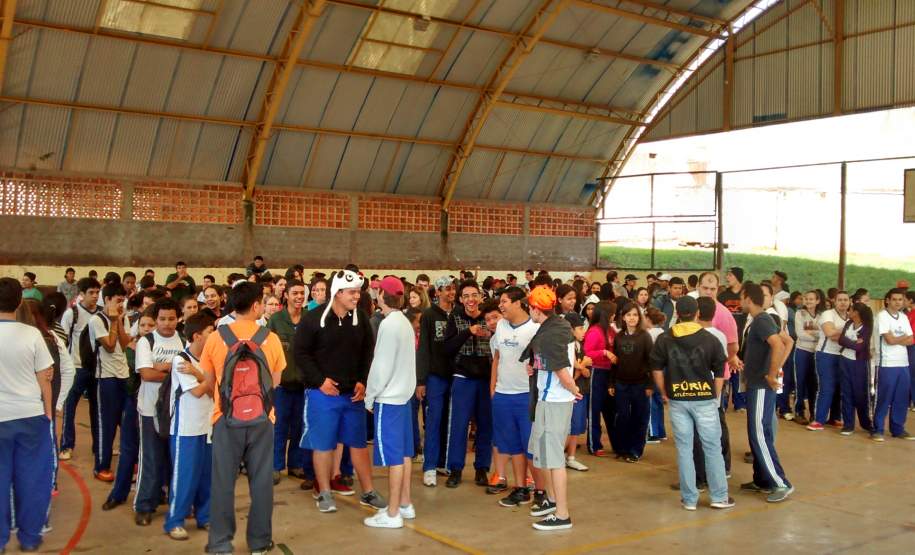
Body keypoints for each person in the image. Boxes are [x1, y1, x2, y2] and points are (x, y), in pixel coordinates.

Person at [199, 281, 285, 554]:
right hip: (262, 420)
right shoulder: (269, 338)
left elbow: (209, 379)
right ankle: (259, 542)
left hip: (225, 419)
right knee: (261, 482)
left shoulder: (216, 338)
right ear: (257, 305)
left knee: (223, 482)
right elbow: (276, 382)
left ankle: (220, 544)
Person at [296, 270, 386, 514]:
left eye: (358, 292)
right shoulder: (312, 319)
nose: (357, 296)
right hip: (322, 395)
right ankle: (324, 491)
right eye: (352, 292)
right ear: (337, 293)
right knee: (323, 445)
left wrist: (362, 380)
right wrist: (319, 381)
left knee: (357, 445)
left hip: (352, 395)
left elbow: (368, 352)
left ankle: (368, 491)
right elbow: (301, 354)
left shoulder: (361, 320)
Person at [650, 296, 731, 511]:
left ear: (677, 313)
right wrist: (716, 394)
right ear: (696, 313)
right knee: (712, 447)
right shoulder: (710, 339)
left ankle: (689, 499)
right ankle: (719, 496)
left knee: (684, 449)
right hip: (704, 399)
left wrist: (664, 391)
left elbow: (656, 368)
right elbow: (720, 369)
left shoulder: (665, 338)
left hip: (677, 399)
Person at [0, 277, 55, 553]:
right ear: (20, 301)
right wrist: (48, 411)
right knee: (32, 479)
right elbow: (44, 378)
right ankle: (30, 537)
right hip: (30, 415)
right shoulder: (32, 334)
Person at [523, 286, 581, 530]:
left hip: (554, 401)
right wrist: (534, 367)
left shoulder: (550, 334)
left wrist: (573, 388)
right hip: (550, 400)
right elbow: (556, 361)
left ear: (536, 309)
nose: (530, 312)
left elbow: (560, 368)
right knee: (543, 454)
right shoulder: (558, 326)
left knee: (555, 460)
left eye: (530, 308)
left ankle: (562, 514)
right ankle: (552, 500)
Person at [362, 277, 417, 528]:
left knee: (394, 457)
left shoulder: (388, 325)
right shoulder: (403, 322)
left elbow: (381, 366)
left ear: (382, 295)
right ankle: (405, 504)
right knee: (404, 453)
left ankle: (392, 513)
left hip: (390, 399)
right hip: (404, 397)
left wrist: (370, 395)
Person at [164, 312, 217, 541]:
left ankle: (205, 516)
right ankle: (174, 521)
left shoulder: (211, 359)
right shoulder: (180, 360)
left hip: (208, 428)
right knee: (184, 476)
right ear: (197, 336)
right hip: (186, 429)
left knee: (207, 476)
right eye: (210, 331)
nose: (214, 335)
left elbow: (217, 387)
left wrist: (200, 375)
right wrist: (207, 378)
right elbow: (197, 391)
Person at [134, 298, 186, 526]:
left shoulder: (183, 341)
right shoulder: (147, 341)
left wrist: (160, 366)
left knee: (174, 459)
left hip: (177, 408)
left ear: (179, 318)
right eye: (162, 319)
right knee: (151, 459)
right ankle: (144, 505)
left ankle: (174, 501)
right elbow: (146, 374)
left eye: (171, 319)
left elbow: (190, 372)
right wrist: (172, 370)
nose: (167, 323)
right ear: (155, 320)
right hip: (149, 409)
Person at [740, 283, 792, 502]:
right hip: (755, 384)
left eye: (741, 298)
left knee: (759, 433)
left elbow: (780, 345)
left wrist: (772, 374)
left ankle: (780, 483)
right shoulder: (759, 320)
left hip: (761, 386)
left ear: (748, 299)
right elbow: (786, 341)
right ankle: (762, 479)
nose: (740, 302)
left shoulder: (761, 319)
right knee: (758, 433)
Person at [488, 286, 539, 506]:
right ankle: (521, 488)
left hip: (526, 395)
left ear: (518, 303)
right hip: (502, 394)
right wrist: (493, 388)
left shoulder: (535, 327)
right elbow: (497, 358)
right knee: (512, 446)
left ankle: (541, 490)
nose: (500, 306)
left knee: (530, 447)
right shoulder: (500, 325)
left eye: (505, 301)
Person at [443, 280, 494, 488]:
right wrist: (468, 332)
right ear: (461, 299)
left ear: (481, 296)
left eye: (474, 295)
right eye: (466, 296)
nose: (471, 300)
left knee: (485, 425)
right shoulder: (455, 318)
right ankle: (455, 469)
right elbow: (447, 348)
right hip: (462, 379)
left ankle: (482, 468)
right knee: (458, 425)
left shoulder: (490, 317)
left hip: (486, 379)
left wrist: (492, 333)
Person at [103, 310, 154, 511]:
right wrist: (155, 370)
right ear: (138, 327)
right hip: (134, 403)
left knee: (152, 452)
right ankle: (118, 493)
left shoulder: (161, 347)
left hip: (156, 405)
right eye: (143, 325)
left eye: (151, 325)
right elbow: (135, 378)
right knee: (128, 449)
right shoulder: (131, 349)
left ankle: (154, 493)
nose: (147, 329)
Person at [267, 280, 314, 488]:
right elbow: (267, 351)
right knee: (278, 426)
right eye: (294, 293)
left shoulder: (309, 319)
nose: (299, 297)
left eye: (301, 293)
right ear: (285, 295)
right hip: (281, 385)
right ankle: (275, 466)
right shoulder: (276, 321)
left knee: (299, 427)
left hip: (304, 385)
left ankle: (295, 464)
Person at [90, 282, 132, 482]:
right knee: (106, 424)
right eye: (118, 300)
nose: (121, 304)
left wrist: (120, 321)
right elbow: (109, 345)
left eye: (123, 300)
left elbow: (123, 345)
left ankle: (129, 462)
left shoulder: (123, 318)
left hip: (123, 375)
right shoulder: (96, 320)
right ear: (107, 300)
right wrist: (114, 321)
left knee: (126, 423)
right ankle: (101, 466)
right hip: (105, 377)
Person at [417, 276, 455, 487]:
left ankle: (444, 461)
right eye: (446, 289)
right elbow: (423, 348)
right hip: (435, 377)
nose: (451, 292)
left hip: (456, 377)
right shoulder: (430, 315)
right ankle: (429, 465)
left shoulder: (458, 313)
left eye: (452, 289)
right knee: (433, 420)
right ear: (437, 292)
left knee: (450, 421)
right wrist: (421, 380)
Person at [59, 277, 101, 461]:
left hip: (98, 369)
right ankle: (67, 445)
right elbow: (62, 341)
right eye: (91, 292)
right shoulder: (72, 314)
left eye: (97, 292)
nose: (95, 296)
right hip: (76, 367)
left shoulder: (101, 313)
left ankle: (98, 446)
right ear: (81, 294)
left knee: (97, 408)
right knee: (70, 408)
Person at [610, 302, 653, 463]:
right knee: (622, 417)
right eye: (628, 315)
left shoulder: (645, 336)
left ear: (639, 317)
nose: (632, 318)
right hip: (621, 384)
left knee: (639, 418)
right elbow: (615, 362)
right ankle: (622, 448)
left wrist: (650, 385)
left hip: (641, 385)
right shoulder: (619, 337)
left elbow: (651, 362)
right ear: (623, 317)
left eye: (635, 315)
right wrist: (611, 383)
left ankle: (636, 450)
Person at [872, 289, 914, 441]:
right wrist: (902, 337)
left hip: (903, 363)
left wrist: (898, 338)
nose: (898, 302)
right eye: (894, 299)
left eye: (900, 299)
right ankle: (877, 429)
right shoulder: (882, 316)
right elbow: (889, 340)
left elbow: (911, 339)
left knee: (901, 398)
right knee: (884, 397)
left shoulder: (903, 317)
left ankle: (898, 429)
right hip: (886, 363)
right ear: (888, 300)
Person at [807, 291, 851, 431]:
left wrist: (839, 331)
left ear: (849, 302)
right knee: (826, 387)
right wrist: (848, 332)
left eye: (845, 300)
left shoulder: (850, 317)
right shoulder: (828, 314)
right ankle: (818, 420)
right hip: (826, 354)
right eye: (840, 300)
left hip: (843, 355)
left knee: (839, 388)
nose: (843, 302)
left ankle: (835, 417)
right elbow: (830, 334)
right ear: (834, 301)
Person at [583, 302, 618, 456]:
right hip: (596, 373)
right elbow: (587, 352)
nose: (614, 315)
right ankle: (594, 444)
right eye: (612, 313)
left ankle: (617, 444)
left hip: (609, 373)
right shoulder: (594, 331)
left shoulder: (611, 330)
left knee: (611, 411)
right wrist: (604, 353)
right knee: (594, 410)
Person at [837, 303, 874, 435]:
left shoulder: (867, 328)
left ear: (856, 312)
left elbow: (860, 348)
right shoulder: (848, 324)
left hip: (859, 363)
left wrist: (849, 342)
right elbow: (840, 340)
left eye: (851, 310)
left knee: (860, 394)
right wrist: (852, 343)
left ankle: (865, 422)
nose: (848, 312)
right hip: (844, 360)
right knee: (846, 393)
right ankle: (848, 424)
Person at [792, 291, 821, 425]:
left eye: (811, 299)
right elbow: (800, 334)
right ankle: (799, 412)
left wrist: (811, 333)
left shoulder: (821, 316)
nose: (808, 301)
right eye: (806, 298)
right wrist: (817, 336)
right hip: (802, 351)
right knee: (800, 382)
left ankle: (814, 413)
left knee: (814, 384)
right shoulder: (799, 314)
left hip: (816, 353)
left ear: (817, 301)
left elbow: (824, 333)